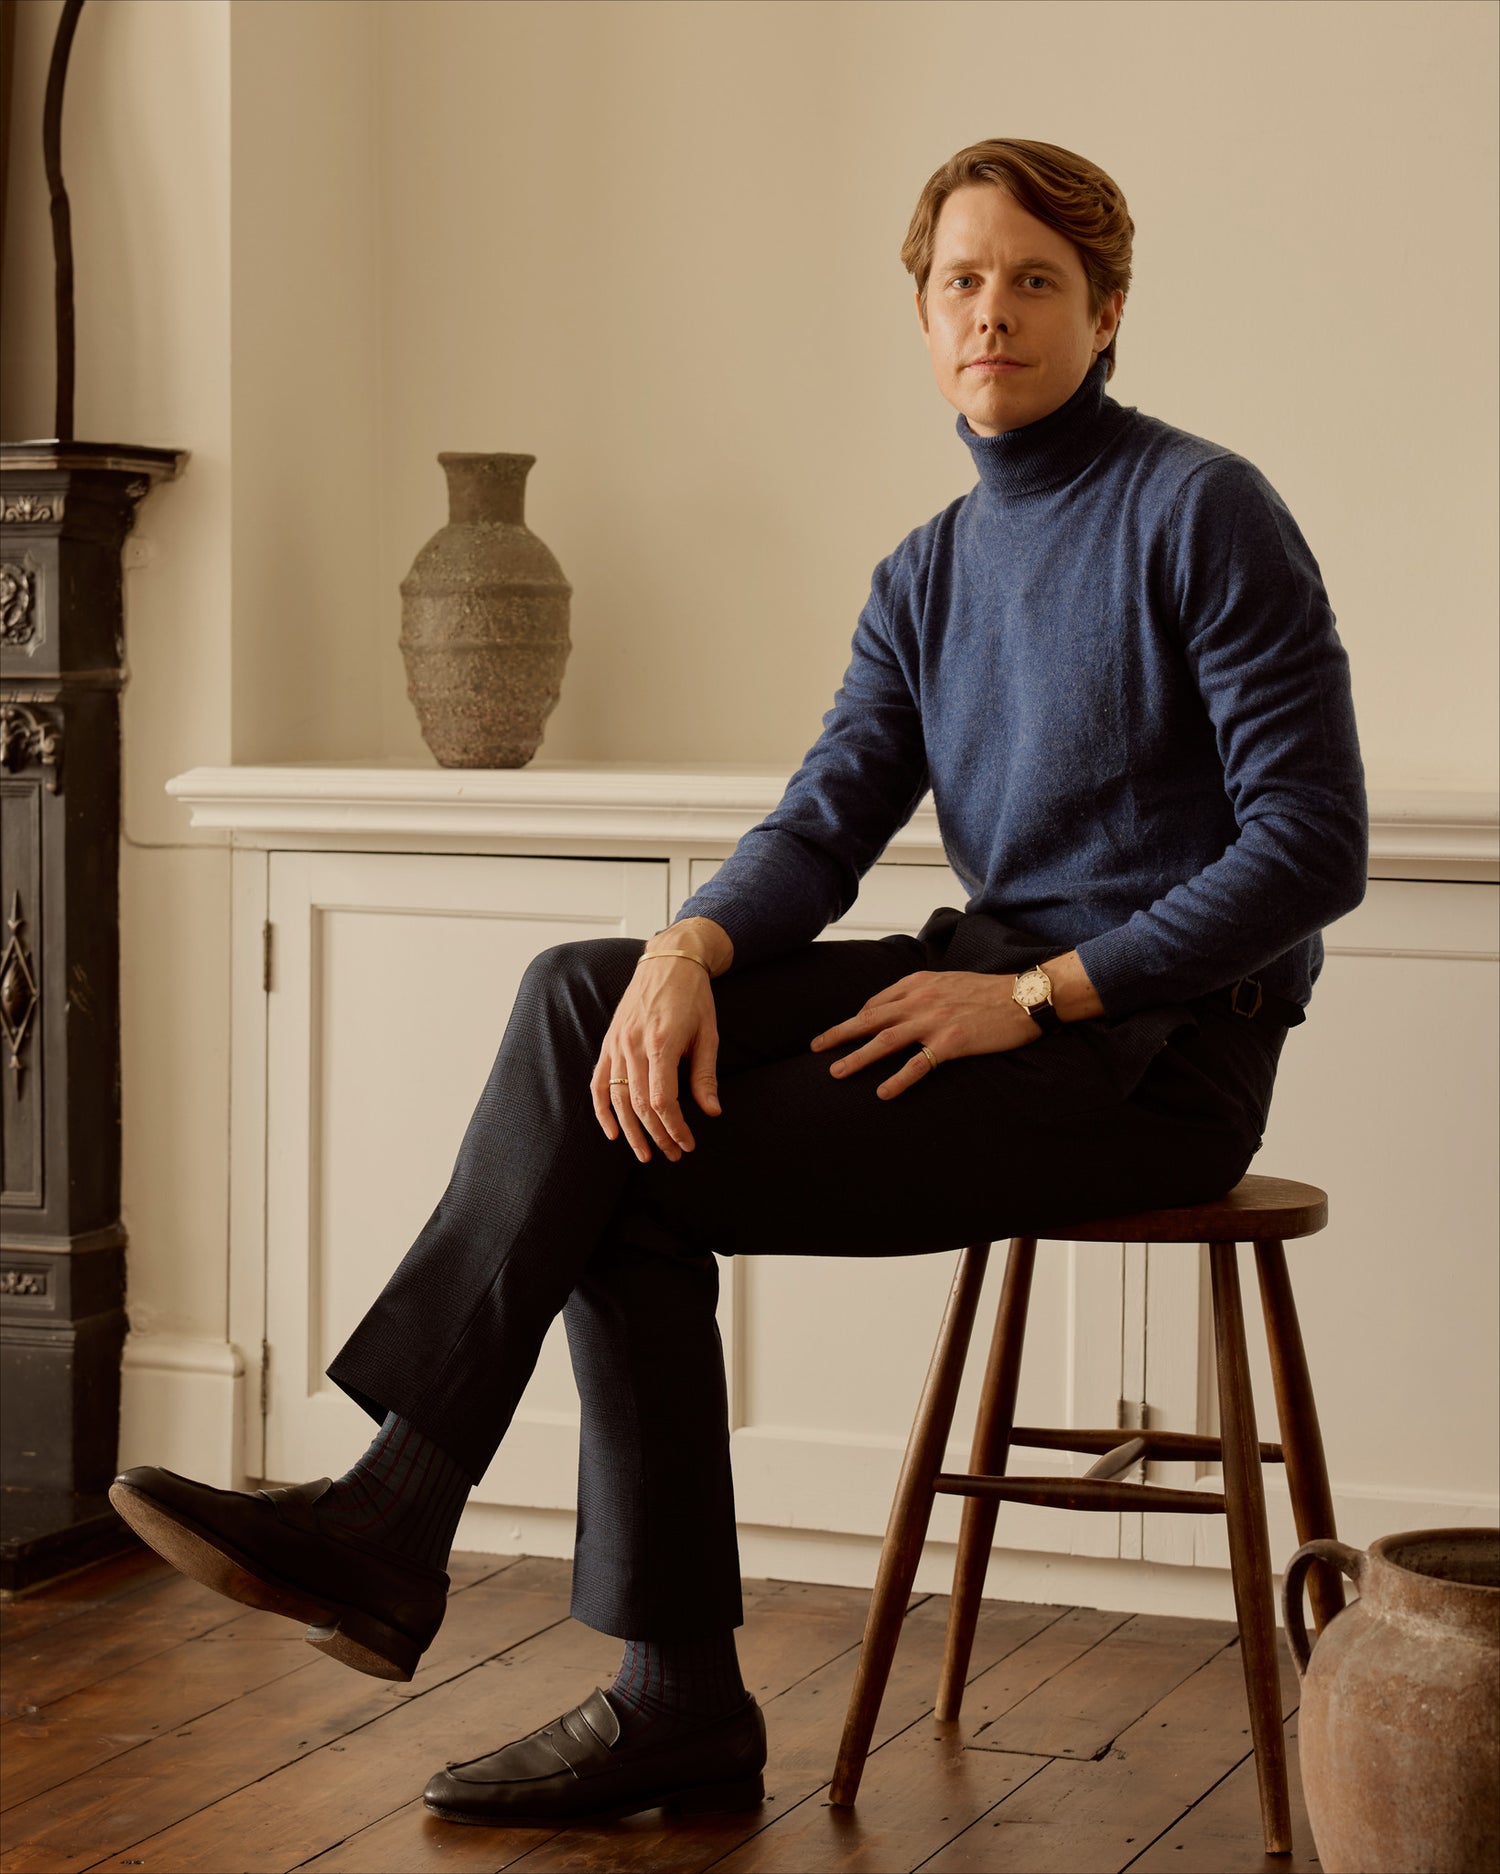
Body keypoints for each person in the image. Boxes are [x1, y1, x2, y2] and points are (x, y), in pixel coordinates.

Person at [110, 137, 1366, 1827]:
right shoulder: (926, 572)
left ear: (1110, 308)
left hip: (1149, 1054)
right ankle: (448, 1550)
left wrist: (1047, 994)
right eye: (960, 282)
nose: (993, 310)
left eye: (1035, 279)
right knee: (591, 1003)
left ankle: (589, 1644)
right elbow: (824, 817)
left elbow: (1311, 846)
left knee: (613, 1166)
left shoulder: (1199, 508)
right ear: (922, 318)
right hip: (985, 988)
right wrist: (688, 949)